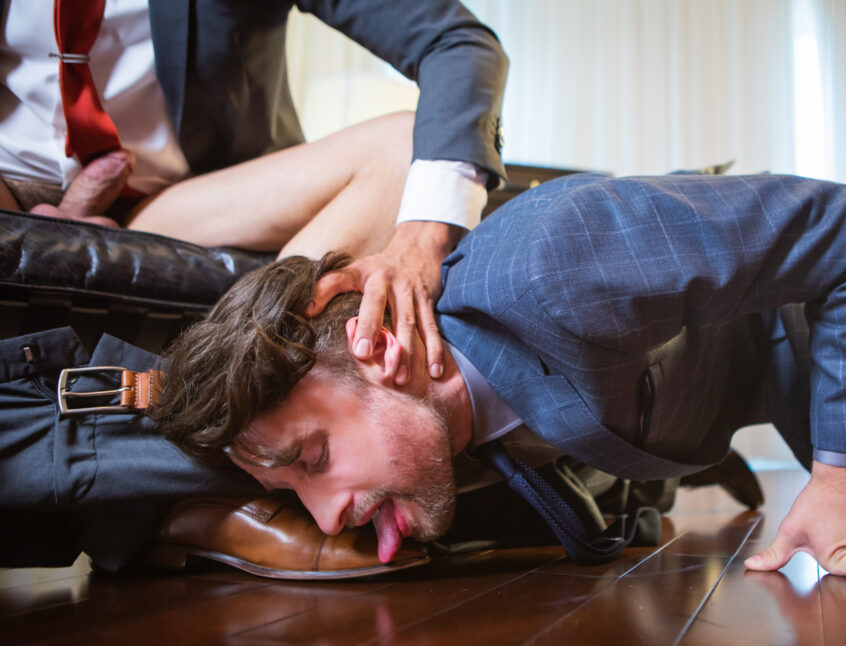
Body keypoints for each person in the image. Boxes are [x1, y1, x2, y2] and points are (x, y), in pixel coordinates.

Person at [153, 171, 846, 590]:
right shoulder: (434, 428)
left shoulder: (552, 266)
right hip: (698, 401)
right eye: (297, 491)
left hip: (792, 322)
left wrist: (842, 472)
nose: (327, 516)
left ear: (380, 349)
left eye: (313, 457)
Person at [0, 0, 508, 385]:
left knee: (401, 144)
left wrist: (422, 242)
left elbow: (456, 42)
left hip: (183, 197)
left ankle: (233, 395)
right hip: (10, 183)